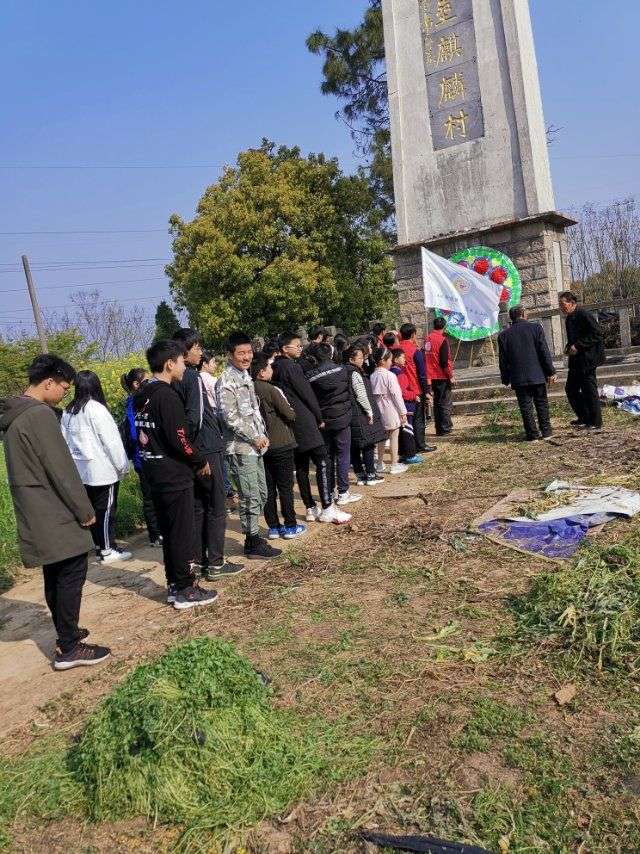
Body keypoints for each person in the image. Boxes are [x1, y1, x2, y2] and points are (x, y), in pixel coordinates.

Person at [0, 354, 110, 670]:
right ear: (48, 382)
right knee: (72, 571)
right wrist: (84, 509)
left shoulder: (17, 414)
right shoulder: (39, 416)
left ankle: (68, 631)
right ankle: (69, 646)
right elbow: (60, 469)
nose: (64, 392)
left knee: (56, 572)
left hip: (37, 507)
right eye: (63, 386)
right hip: (53, 508)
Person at [134, 340, 219, 610]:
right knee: (182, 532)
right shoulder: (166, 396)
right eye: (182, 361)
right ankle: (185, 588)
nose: (185, 366)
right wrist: (198, 460)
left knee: (170, 532)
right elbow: (179, 438)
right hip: (173, 474)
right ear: (170, 364)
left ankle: (174, 584)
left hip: (154, 472)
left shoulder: (142, 394)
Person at [173, 330, 242, 580]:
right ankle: (216, 562)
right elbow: (195, 418)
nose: (201, 352)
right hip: (207, 448)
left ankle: (202, 561)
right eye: (197, 347)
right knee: (216, 505)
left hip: (193, 450)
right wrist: (197, 454)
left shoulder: (171, 378)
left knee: (200, 506)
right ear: (185, 350)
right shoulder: (190, 377)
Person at [272, 333, 350, 524]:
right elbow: (306, 393)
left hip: (289, 422)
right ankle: (327, 506)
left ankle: (309, 507)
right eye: (296, 345)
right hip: (305, 420)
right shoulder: (292, 367)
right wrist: (318, 415)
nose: (300, 348)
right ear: (284, 349)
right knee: (322, 459)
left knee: (301, 466)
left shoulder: (275, 368)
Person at [216, 332, 282, 558]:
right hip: (240, 448)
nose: (246, 357)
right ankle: (252, 540)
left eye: (249, 352)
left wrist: (261, 435)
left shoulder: (244, 375)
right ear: (230, 354)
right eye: (241, 353)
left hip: (256, 447)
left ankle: (254, 535)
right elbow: (229, 418)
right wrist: (253, 437)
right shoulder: (226, 380)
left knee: (262, 493)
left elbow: (252, 412)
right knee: (250, 495)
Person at [61, 371, 132, 563]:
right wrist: (122, 466)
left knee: (92, 511)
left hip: (81, 472)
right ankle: (107, 551)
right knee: (107, 511)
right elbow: (112, 442)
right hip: (102, 471)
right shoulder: (97, 409)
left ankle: (100, 546)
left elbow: (65, 443)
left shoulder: (69, 411)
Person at [251, 353, 306, 539]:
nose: (271, 369)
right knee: (285, 487)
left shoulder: (248, 390)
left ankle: (273, 527)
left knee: (268, 488)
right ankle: (290, 525)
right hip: (281, 443)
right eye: (269, 367)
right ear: (261, 372)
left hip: (260, 446)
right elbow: (290, 414)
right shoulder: (270, 389)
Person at [306, 343, 362, 506]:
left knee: (328, 456)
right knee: (343, 455)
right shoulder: (342, 370)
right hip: (343, 417)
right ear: (330, 355)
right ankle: (343, 492)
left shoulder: (311, 376)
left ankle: (329, 491)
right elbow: (348, 392)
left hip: (324, 420)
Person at [498, 306, 557, 441]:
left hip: (518, 377)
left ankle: (532, 434)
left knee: (525, 407)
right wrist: (550, 371)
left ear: (511, 318)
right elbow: (543, 351)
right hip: (537, 374)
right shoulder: (536, 328)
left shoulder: (504, 335)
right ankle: (546, 432)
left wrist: (505, 378)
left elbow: (503, 360)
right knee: (541, 403)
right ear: (524, 314)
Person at [121, 368, 162, 547]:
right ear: (136, 384)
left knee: (160, 494)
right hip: (142, 457)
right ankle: (155, 534)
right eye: (146, 381)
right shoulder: (132, 402)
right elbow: (132, 432)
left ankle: (162, 530)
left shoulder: (148, 398)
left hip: (155, 455)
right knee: (150, 497)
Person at [198, 351, 238, 515]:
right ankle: (227, 497)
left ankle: (226, 496)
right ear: (204, 364)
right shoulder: (210, 380)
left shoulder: (198, 379)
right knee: (223, 462)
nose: (215, 365)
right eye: (213, 362)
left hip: (209, 428)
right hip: (216, 423)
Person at [559, 291, 605, 431]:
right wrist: (569, 347)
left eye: (563, 304)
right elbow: (573, 339)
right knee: (571, 389)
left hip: (588, 359)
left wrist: (578, 345)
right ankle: (583, 417)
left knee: (589, 390)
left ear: (572, 303)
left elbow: (597, 333)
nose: (561, 307)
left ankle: (595, 422)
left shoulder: (583, 314)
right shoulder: (568, 318)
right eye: (560, 305)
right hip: (576, 361)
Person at [345, 344, 386, 486]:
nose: (362, 360)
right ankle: (370, 474)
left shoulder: (345, 371)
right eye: (360, 358)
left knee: (355, 446)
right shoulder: (354, 373)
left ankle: (360, 475)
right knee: (368, 443)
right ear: (351, 359)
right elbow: (361, 394)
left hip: (351, 413)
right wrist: (369, 411)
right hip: (360, 413)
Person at [370, 347, 409, 475]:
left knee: (381, 438)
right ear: (383, 361)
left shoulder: (372, 375)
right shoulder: (390, 375)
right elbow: (396, 395)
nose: (391, 362)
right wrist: (403, 411)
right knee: (394, 436)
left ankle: (380, 463)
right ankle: (393, 464)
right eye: (390, 360)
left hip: (377, 408)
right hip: (389, 407)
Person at [397, 323, 431, 452]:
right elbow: (422, 373)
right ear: (413, 335)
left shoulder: (396, 350)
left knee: (404, 420)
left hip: (401, 390)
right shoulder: (415, 351)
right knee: (418, 420)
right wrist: (426, 391)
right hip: (415, 389)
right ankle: (420, 445)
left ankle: (406, 448)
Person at [390, 349, 422, 464]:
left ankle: (403, 453)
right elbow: (402, 392)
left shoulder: (392, 372)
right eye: (403, 357)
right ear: (395, 359)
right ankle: (410, 455)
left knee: (402, 431)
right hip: (406, 406)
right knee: (408, 431)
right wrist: (414, 396)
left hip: (397, 407)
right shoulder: (399, 373)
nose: (405, 359)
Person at [425, 317, 455, 436]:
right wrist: (450, 375)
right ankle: (445, 428)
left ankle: (439, 428)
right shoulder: (442, 340)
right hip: (441, 375)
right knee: (444, 402)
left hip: (431, 375)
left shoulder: (427, 339)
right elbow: (444, 361)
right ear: (444, 326)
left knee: (437, 402)